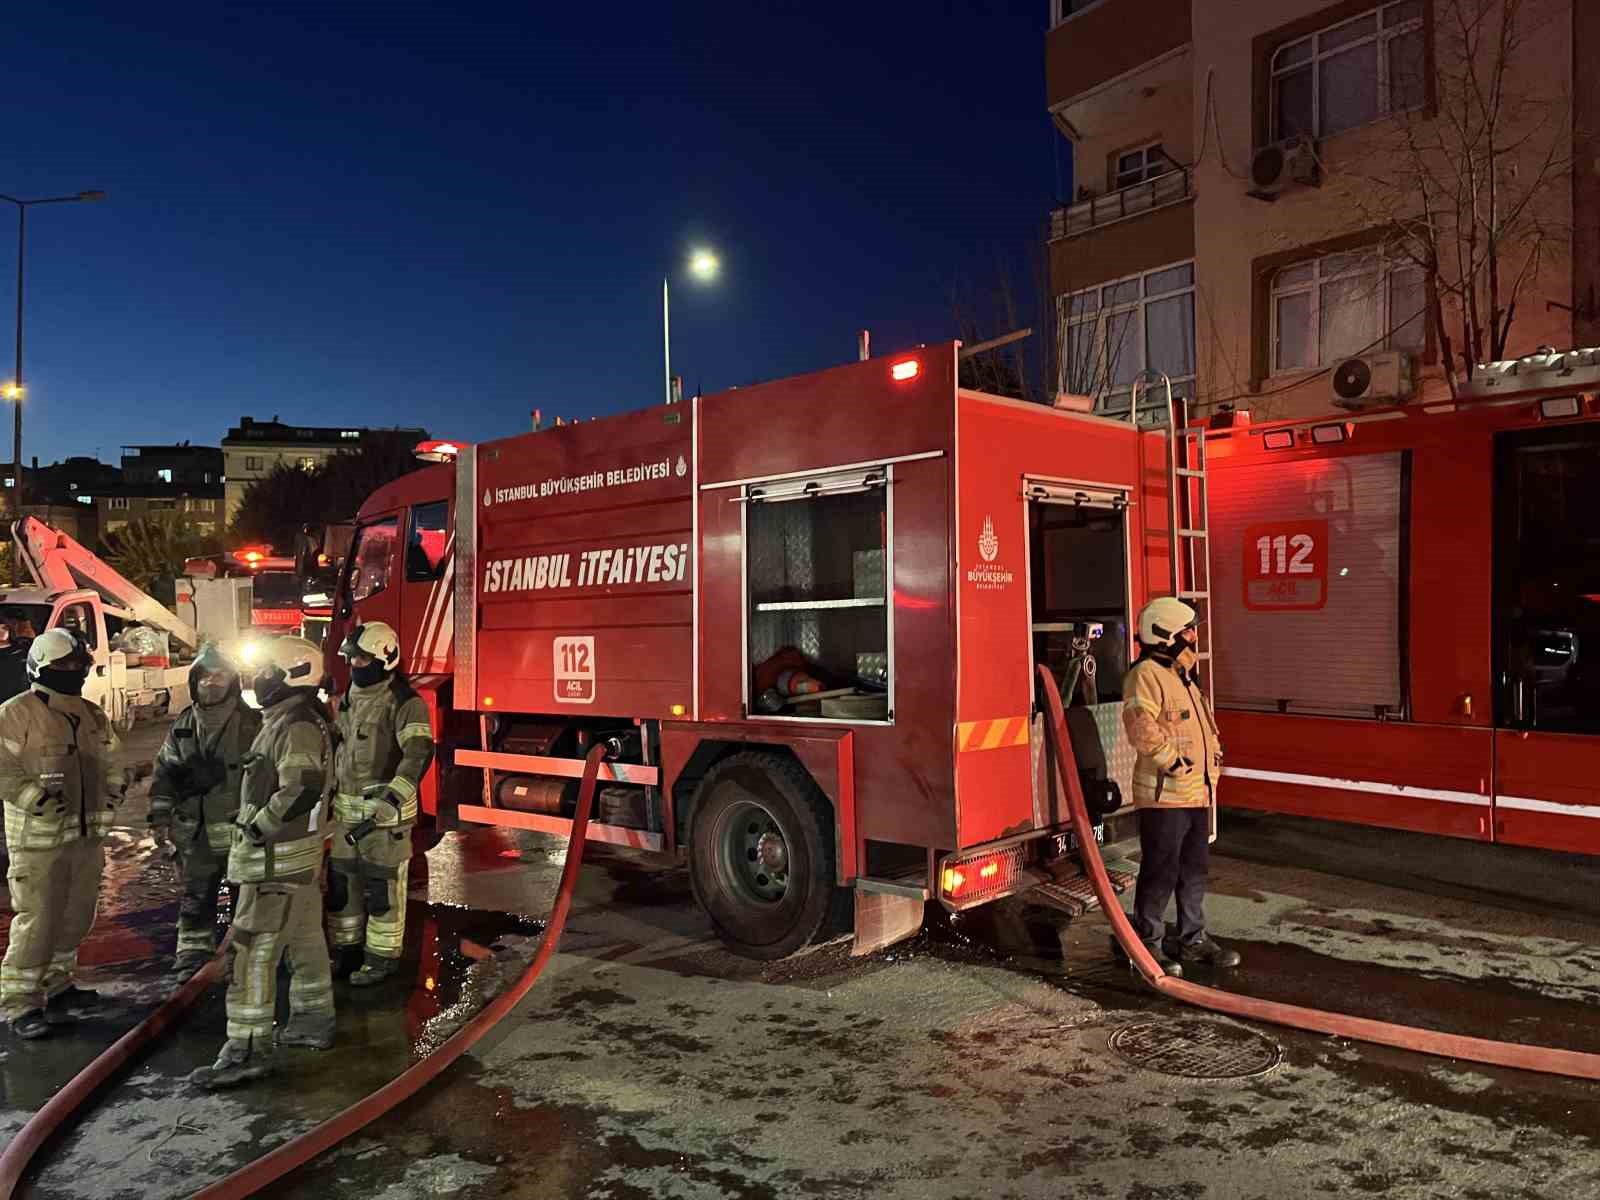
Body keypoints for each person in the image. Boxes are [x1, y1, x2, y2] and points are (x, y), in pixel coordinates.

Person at [191, 636, 335, 1089]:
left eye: (268, 669)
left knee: (251, 953)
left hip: (275, 864)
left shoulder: (295, 725)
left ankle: (247, 1050)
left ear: (291, 674)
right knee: (306, 942)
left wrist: (257, 827)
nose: (260, 677)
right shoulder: (292, 719)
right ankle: (313, 1019)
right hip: (296, 863)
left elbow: (301, 788)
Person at [0, 630, 123, 1039]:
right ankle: (21, 1004)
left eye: (77, 666)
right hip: (38, 843)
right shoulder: (16, 713)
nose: (72, 672)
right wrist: (31, 795)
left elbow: (110, 757)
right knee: (39, 922)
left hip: (84, 841)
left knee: (75, 918)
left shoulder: (91, 713)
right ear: (40, 668)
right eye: (63, 666)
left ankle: (59, 986)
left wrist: (116, 783)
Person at [1119, 597, 1239, 978]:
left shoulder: (1183, 674)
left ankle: (1193, 939)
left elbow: (1202, 726)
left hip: (1195, 793)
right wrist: (1172, 761)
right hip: (1164, 795)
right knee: (1160, 871)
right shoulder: (1146, 675)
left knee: (1194, 869)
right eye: (1188, 630)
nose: (1193, 636)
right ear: (1165, 632)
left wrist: (1214, 758)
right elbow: (1141, 726)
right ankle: (1147, 947)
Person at [328, 621, 434, 986]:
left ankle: (381, 960)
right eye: (351, 658)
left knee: (382, 893)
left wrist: (392, 799)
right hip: (346, 822)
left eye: (361, 658)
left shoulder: (405, 703)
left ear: (384, 659)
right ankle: (346, 952)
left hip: (384, 822)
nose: (354, 665)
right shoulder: (348, 698)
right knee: (342, 889)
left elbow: (418, 754)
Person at [147, 644, 262, 976]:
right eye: (205, 677)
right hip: (194, 836)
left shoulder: (253, 724)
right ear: (194, 681)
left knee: (245, 902)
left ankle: (244, 961)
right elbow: (164, 772)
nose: (212, 683)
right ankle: (192, 956)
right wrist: (159, 817)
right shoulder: (183, 724)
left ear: (233, 681)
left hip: (239, 834)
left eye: (220, 676)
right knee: (196, 900)